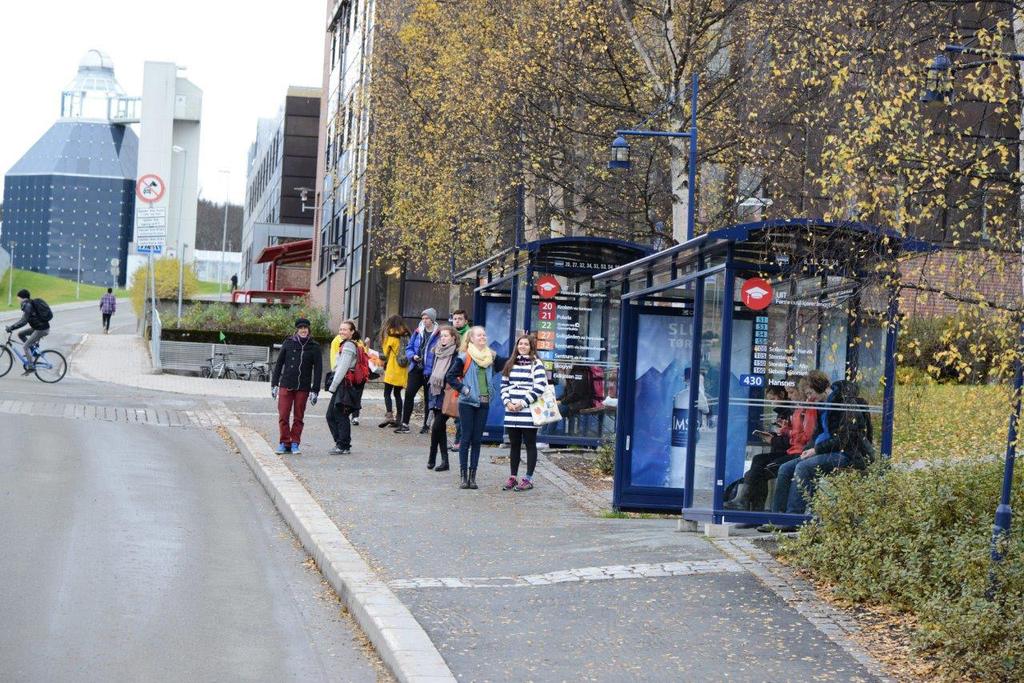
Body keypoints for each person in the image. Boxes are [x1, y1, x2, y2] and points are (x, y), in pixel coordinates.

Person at [763, 379, 874, 530]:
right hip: (825, 450)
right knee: (785, 468)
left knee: (803, 468)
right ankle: (776, 518)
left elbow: (843, 440)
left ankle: (793, 518)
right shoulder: (824, 406)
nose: (809, 398)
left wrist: (815, 450)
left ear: (821, 389)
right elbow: (818, 434)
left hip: (846, 454)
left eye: (810, 393)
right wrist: (807, 451)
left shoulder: (844, 404)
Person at [726, 372, 826, 512]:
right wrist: (785, 430)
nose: (789, 396)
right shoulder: (797, 409)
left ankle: (766, 511)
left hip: (799, 452)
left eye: (791, 392)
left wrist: (785, 434)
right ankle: (751, 508)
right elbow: (798, 433)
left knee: (760, 472)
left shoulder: (807, 409)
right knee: (758, 460)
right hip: (793, 450)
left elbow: (806, 436)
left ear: (801, 391)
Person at [445, 325, 501, 490]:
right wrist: (464, 389)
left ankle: (472, 476)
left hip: (484, 402)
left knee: (477, 440)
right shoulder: (464, 357)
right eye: (479, 335)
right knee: (466, 438)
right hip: (468, 402)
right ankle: (463, 476)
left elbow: (507, 363)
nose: (482, 337)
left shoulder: (491, 357)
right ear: (471, 339)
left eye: (484, 335)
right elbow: (450, 376)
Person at [499, 334, 548, 492]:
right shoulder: (510, 363)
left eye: (526, 344)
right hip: (511, 411)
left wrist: (522, 403)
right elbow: (503, 386)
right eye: (520, 344)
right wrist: (508, 402)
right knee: (514, 444)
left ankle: (528, 478)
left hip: (528, 411)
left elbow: (540, 386)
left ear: (531, 346)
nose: (523, 347)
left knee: (530, 444)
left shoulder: (537, 364)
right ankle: (513, 477)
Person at [270, 318, 323, 455]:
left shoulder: (314, 346)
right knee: (283, 415)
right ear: (297, 330)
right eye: (301, 328)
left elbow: (318, 370)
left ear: (309, 329)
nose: (303, 330)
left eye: (305, 328)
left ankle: (294, 443)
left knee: (299, 417)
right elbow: (279, 364)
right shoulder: (288, 343)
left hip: (303, 387)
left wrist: (315, 390)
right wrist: (274, 384)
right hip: (286, 384)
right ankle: (284, 442)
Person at [396, 308, 439, 434]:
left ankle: (426, 425)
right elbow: (409, 348)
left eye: (426, 318)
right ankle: (405, 424)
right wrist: (412, 356)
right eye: (423, 318)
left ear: (432, 319)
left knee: (428, 398)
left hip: (430, 371)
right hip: (416, 368)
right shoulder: (418, 331)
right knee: (409, 393)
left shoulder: (439, 334)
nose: (424, 321)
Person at [328, 320, 366, 455]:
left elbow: (342, 368)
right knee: (334, 414)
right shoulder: (348, 344)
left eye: (345, 329)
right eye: (340, 329)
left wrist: (333, 386)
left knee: (338, 414)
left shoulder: (349, 346)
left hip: (344, 384)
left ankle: (342, 445)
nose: (341, 332)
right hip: (345, 384)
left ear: (352, 332)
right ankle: (342, 444)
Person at [426, 325, 459, 471]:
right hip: (436, 391)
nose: (443, 338)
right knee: (439, 427)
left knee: (437, 425)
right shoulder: (437, 351)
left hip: (448, 392)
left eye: (446, 335)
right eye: (442, 336)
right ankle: (444, 461)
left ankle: (432, 456)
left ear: (453, 338)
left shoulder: (456, 354)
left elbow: (454, 374)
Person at [5, 289, 51, 374]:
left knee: (25, 346)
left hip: (41, 329)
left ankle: (31, 366)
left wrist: (11, 328)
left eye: (18, 298)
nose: (18, 300)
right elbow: (24, 319)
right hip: (38, 327)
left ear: (22, 297)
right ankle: (34, 350)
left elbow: (23, 321)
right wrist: (13, 327)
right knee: (20, 334)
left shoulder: (27, 305)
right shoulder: (29, 304)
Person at [377, 315, 411, 429]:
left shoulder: (390, 336)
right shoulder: (407, 336)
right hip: (402, 370)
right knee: (397, 394)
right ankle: (399, 419)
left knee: (387, 393)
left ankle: (389, 415)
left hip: (392, 369)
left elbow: (384, 355)